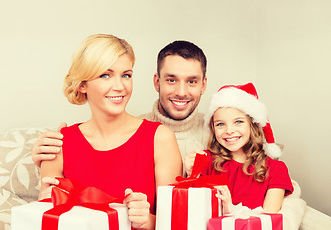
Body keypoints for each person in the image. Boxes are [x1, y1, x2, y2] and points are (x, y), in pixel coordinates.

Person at [33, 40, 307, 229]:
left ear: (204, 85)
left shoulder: (223, 133)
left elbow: (272, 180)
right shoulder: (74, 139)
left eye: (192, 81)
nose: (181, 92)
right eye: (171, 80)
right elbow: (46, 212)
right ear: (156, 81)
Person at [38, 34, 182, 230]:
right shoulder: (59, 144)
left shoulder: (160, 138)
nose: (120, 86)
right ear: (82, 84)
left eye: (126, 75)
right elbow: (47, 219)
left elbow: (175, 224)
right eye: (105, 75)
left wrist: (146, 220)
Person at [185, 83, 293, 214]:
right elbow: (192, 211)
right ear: (213, 129)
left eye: (238, 122)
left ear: (252, 125)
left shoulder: (276, 169)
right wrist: (192, 174)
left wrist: (230, 210)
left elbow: (268, 220)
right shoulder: (206, 160)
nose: (229, 131)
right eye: (220, 124)